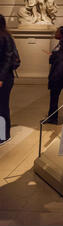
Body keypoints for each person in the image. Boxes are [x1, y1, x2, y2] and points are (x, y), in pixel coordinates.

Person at [0, 15, 17, 145]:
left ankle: (4, 135)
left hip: (4, 78)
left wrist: (1, 78)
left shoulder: (6, 38)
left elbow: (7, 59)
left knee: (2, 106)